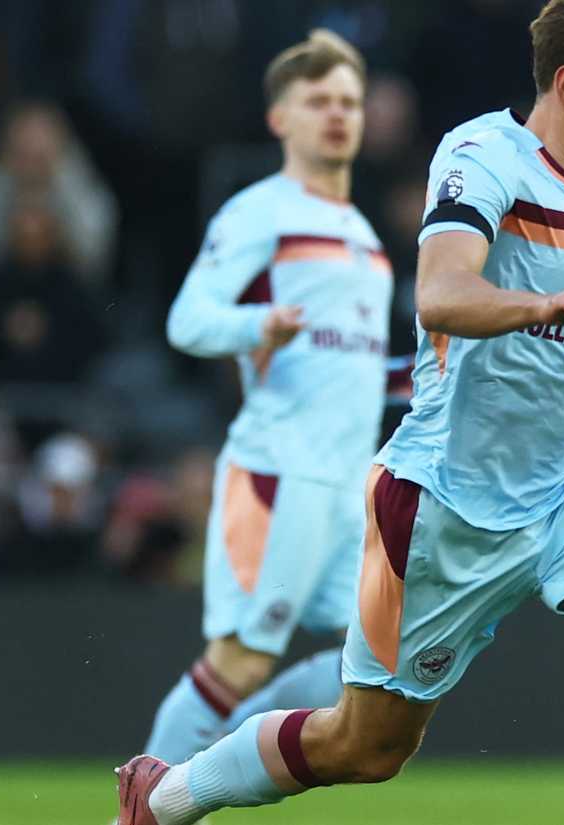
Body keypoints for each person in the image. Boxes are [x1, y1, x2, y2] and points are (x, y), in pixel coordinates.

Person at [116, 3, 564, 824]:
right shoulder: (479, 154)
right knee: (365, 745)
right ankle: (166, 795)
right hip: (442, 508)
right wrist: (546, 302)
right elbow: (441, 292)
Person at [130, 29, 394, 774]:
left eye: (349, 101)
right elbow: (187, 319)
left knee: (377, 661)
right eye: (318, 101)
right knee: (239, 661)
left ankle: (205, 766)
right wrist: (257, 324)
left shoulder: (363, 235)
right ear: (280, 119)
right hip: (277, 475)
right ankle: (146, 804)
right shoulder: (260, 213)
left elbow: (354, 360)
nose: (338, 114)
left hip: (348, 487)